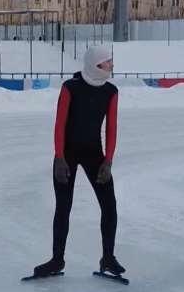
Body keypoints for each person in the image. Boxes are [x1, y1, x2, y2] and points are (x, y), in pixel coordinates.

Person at [30, 43, 124, 279]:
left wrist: (108, 161)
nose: (111, 65)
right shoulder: (71, 87)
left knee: (109, 206)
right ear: (95, 64)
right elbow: (60, 124)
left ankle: (108, 258)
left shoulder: (111, 92)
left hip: (95, 153)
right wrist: (60, 157)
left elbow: (112, 128)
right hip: (67, 154)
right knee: (63, 208)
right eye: (107, 61)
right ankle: (56, 260)